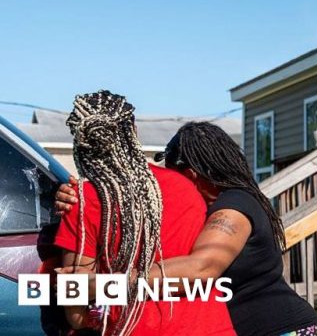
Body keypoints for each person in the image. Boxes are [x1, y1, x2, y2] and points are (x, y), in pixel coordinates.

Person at [58, 121, 317, 336]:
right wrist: (77, 197)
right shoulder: (211, 209)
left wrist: (103, 285)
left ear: (191, 175)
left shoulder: (235, 206)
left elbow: (202, 268)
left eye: (172, 173)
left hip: (281, 328)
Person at [53, 91, 235, 336]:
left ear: (81, 142)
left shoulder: (82, 201)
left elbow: (75, 312)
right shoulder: (186, 187)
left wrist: (92, 318)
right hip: (210, 328)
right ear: (134, 133)